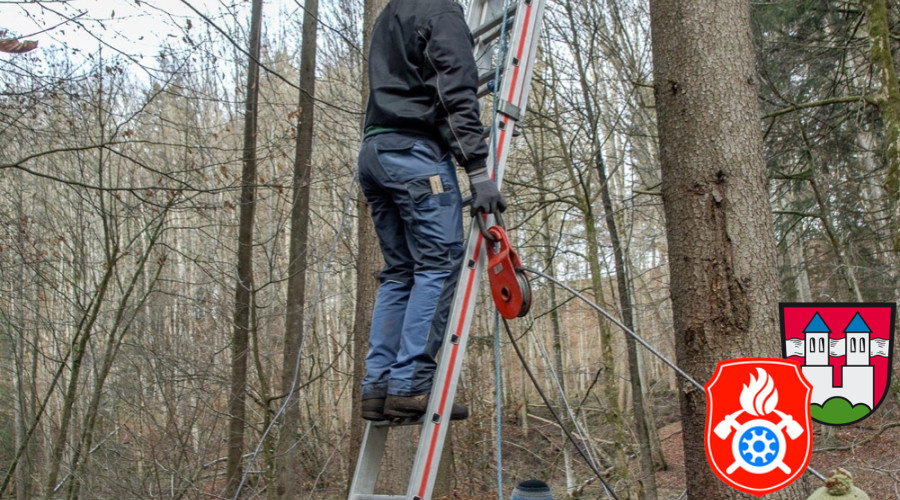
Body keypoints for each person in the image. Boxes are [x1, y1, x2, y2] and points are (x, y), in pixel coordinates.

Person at [357, 0, 506, 421]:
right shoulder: (440, 11)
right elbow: (455, 90)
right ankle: (409, 386)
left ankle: (378, 386)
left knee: (401, 270)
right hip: (414, 154)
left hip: (375, 152)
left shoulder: (391, 13)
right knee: (438, 264)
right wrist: (477, 170)